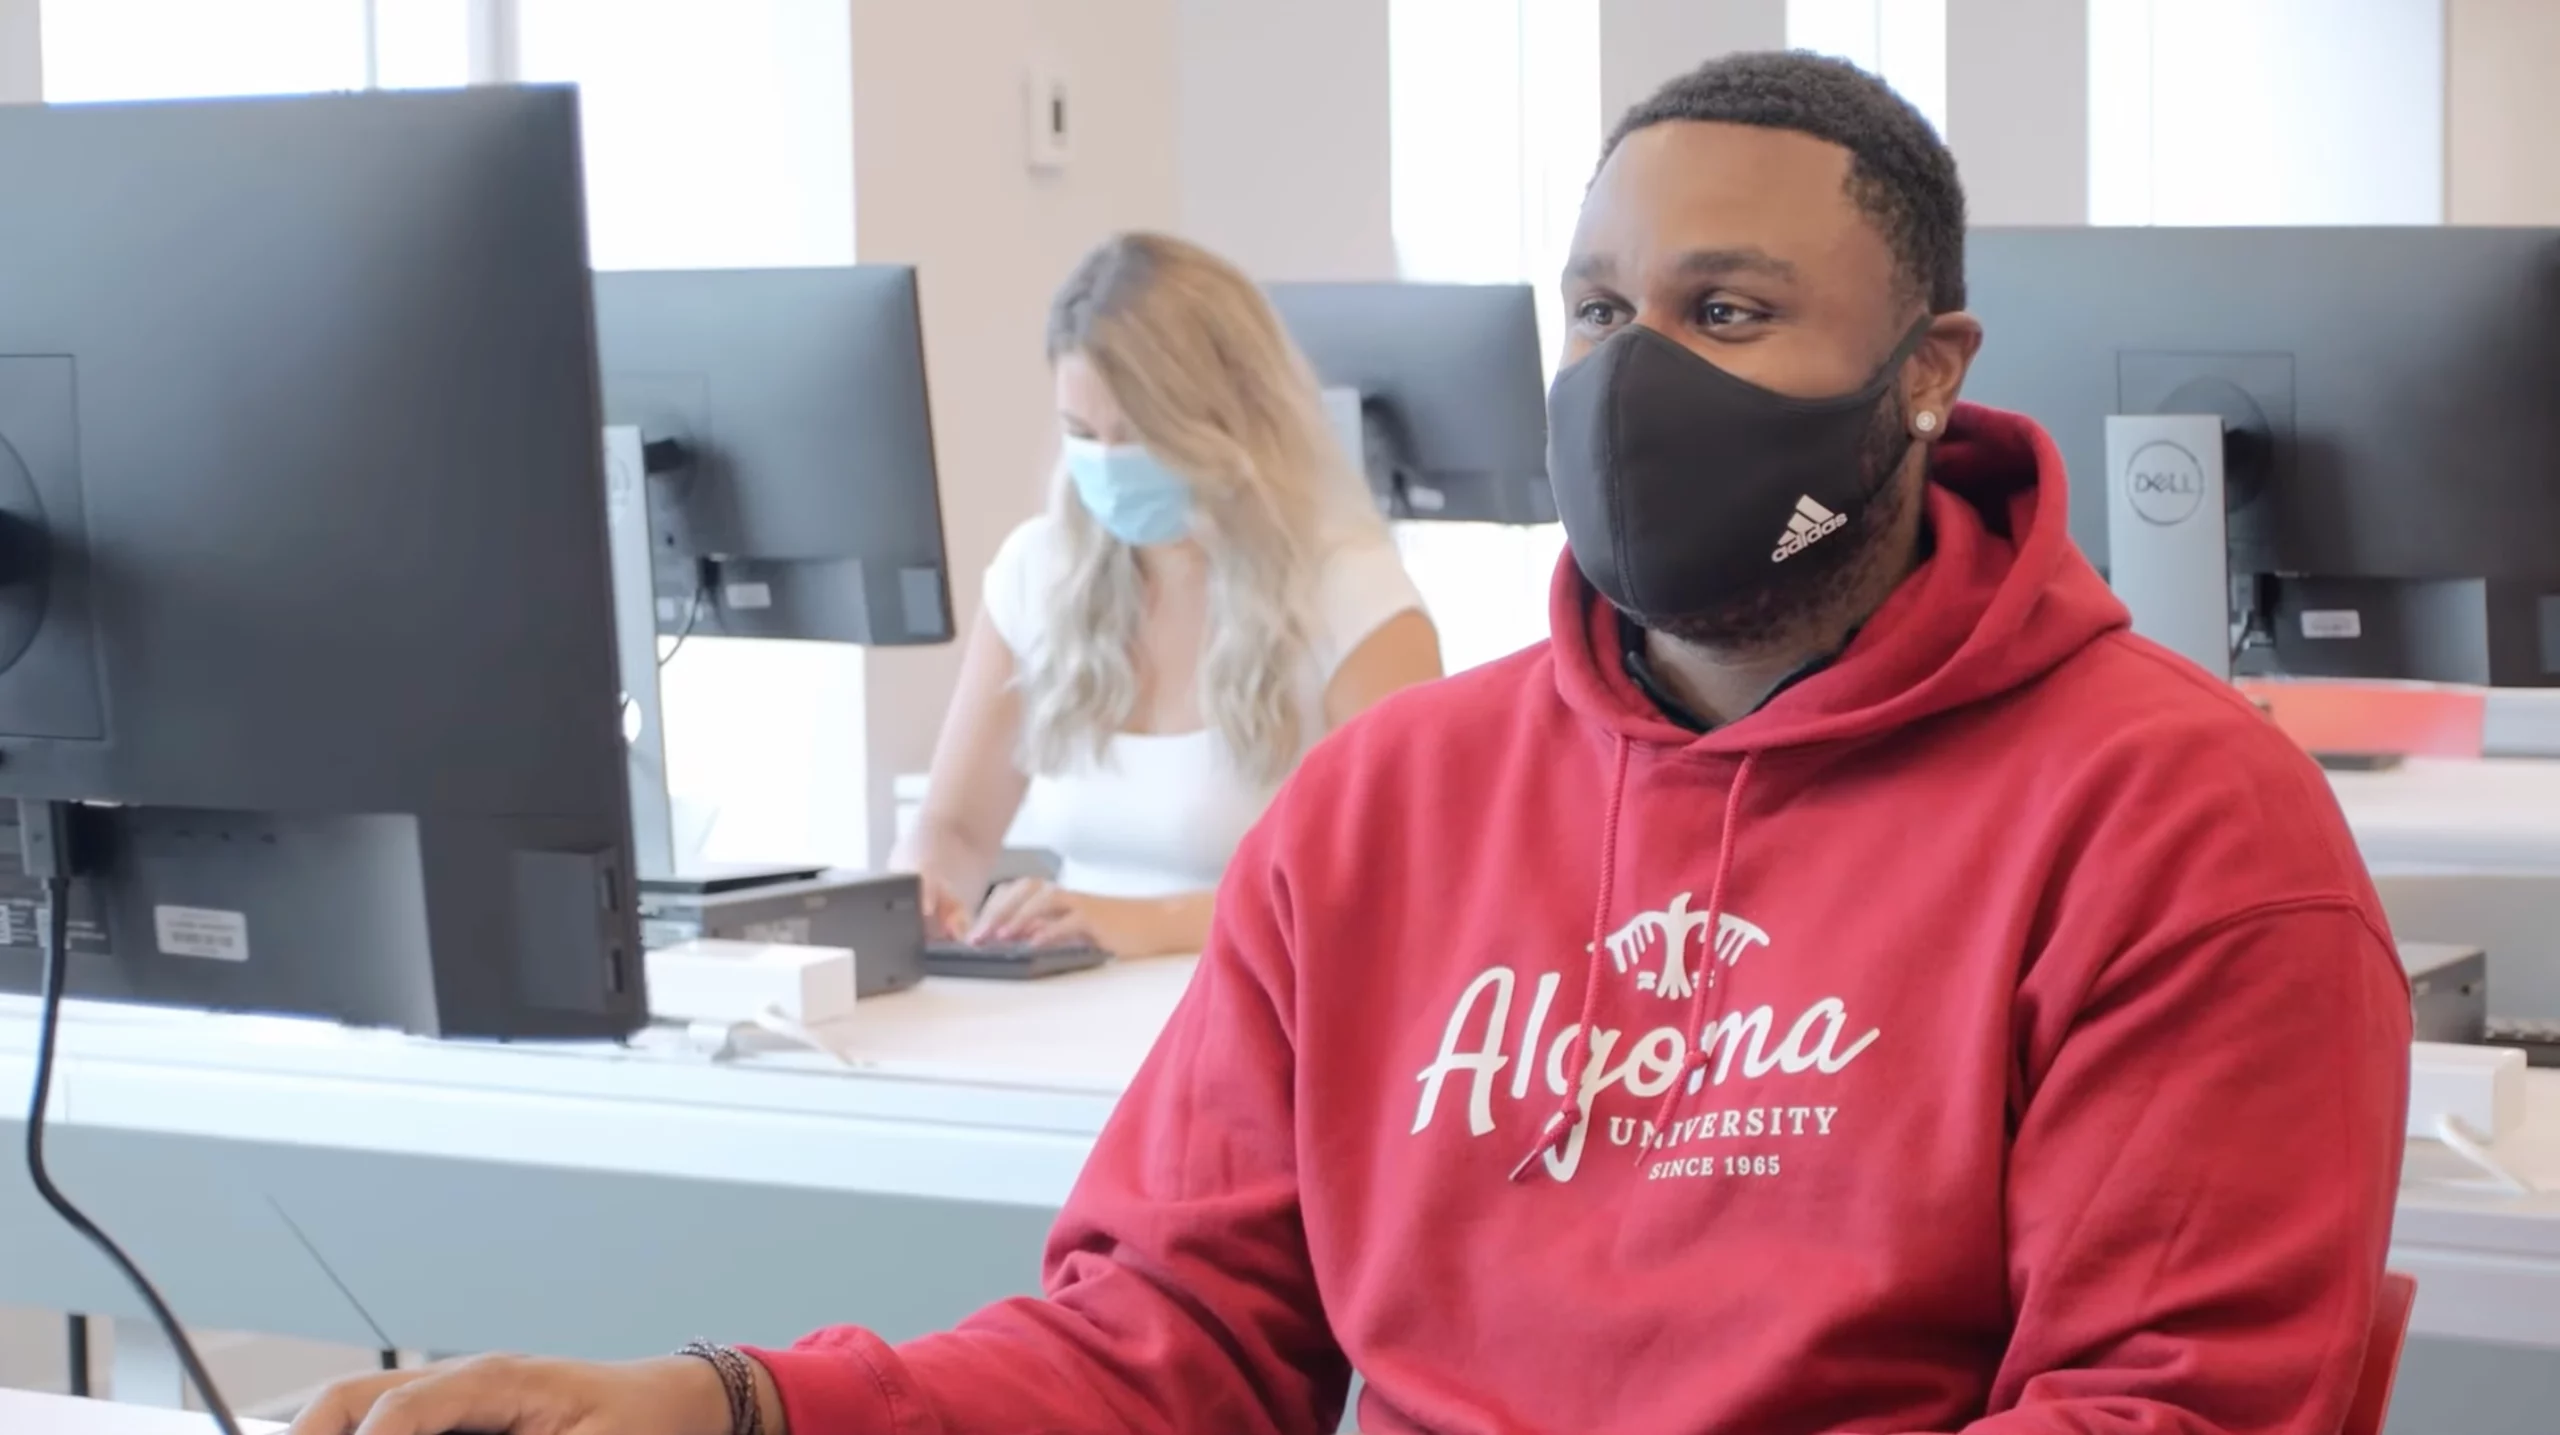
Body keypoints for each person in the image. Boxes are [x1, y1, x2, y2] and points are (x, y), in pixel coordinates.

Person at [292, 52, 2410, 1435]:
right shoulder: (1392, 804)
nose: (1634, 376)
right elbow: (1170, 1339)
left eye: (1729, 312)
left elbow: (2164, 1411)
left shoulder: (2174, 824)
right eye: (1600, 314)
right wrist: (729, 1406)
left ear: (1928, 371)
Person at [899, 231, 1440, 958]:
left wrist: (1146, 923)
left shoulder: (1354, 595)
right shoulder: (1037, 572)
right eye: (1080, 432)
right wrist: (923, 886)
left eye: (1135, 434)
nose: (1106, 463)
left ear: (1226, 421)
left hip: (1266, 1007)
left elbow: (1405, 878)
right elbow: (956, 829)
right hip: (1062, 1008)